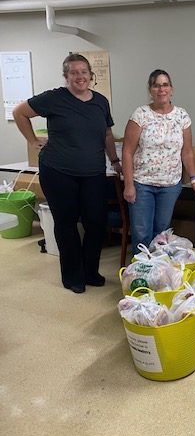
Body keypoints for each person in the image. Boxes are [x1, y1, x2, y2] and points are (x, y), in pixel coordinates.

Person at [13, 53, 122, 294]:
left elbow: (106, 134)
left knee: (96, 223)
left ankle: (90, 271)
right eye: (74, 72)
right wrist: (32, 140)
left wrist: (114, 160)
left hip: (93, 172)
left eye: (84, 71)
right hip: (58, 171)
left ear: (91, 75)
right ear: (66, 76)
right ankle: (73, 276)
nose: (80, 76)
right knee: (66, 224)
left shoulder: (101, 102)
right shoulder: (53, 99)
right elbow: (19, 113)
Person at [122, 69, 195, 254]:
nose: (161, 89)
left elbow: (186, 151)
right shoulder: (141, 114)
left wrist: (194, 179)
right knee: (141, 232)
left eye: (165, 84)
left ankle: (158, 274)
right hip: (142, 184)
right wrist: (129, 185)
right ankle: (140, 274)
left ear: (171, 89)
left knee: (161, 234)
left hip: (170, 185)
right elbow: (127, 151)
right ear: (150, 90)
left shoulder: (182, 116)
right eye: (156, 85)